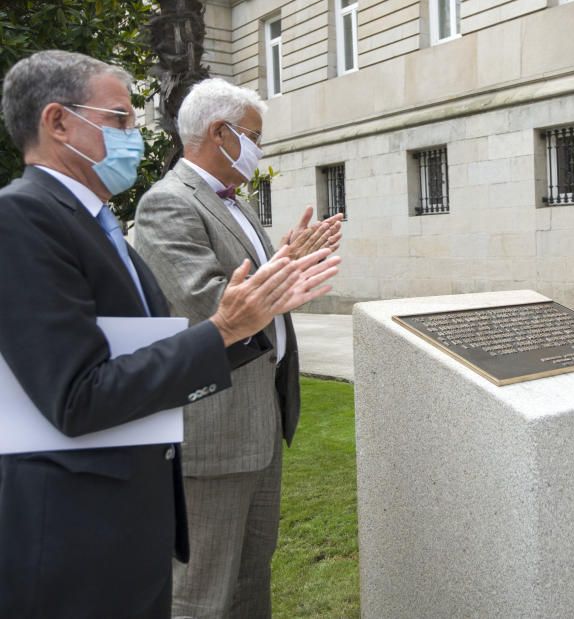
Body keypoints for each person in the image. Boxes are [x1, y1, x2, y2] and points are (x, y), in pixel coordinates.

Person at [0, 50, 341, 618]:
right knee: (203, 596)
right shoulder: (23, 218)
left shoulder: (96, 221)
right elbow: (76, 394)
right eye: (120, 120)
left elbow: (146, 344)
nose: (136, 134)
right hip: (82, 518)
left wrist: (275, 271)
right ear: (58, 122)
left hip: (141, 485)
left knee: (245, 584)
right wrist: (229, 325)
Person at [133, 77, 342, 619]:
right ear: (219, 133)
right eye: (253, 135)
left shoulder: (239, 204)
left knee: (252, 580)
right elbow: (207, 307)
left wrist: (289, 259)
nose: (259, 148)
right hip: (212, 430)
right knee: (201, 591)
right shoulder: (168, 203)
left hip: (259, 423)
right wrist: (284, 272)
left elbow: (260, 287)